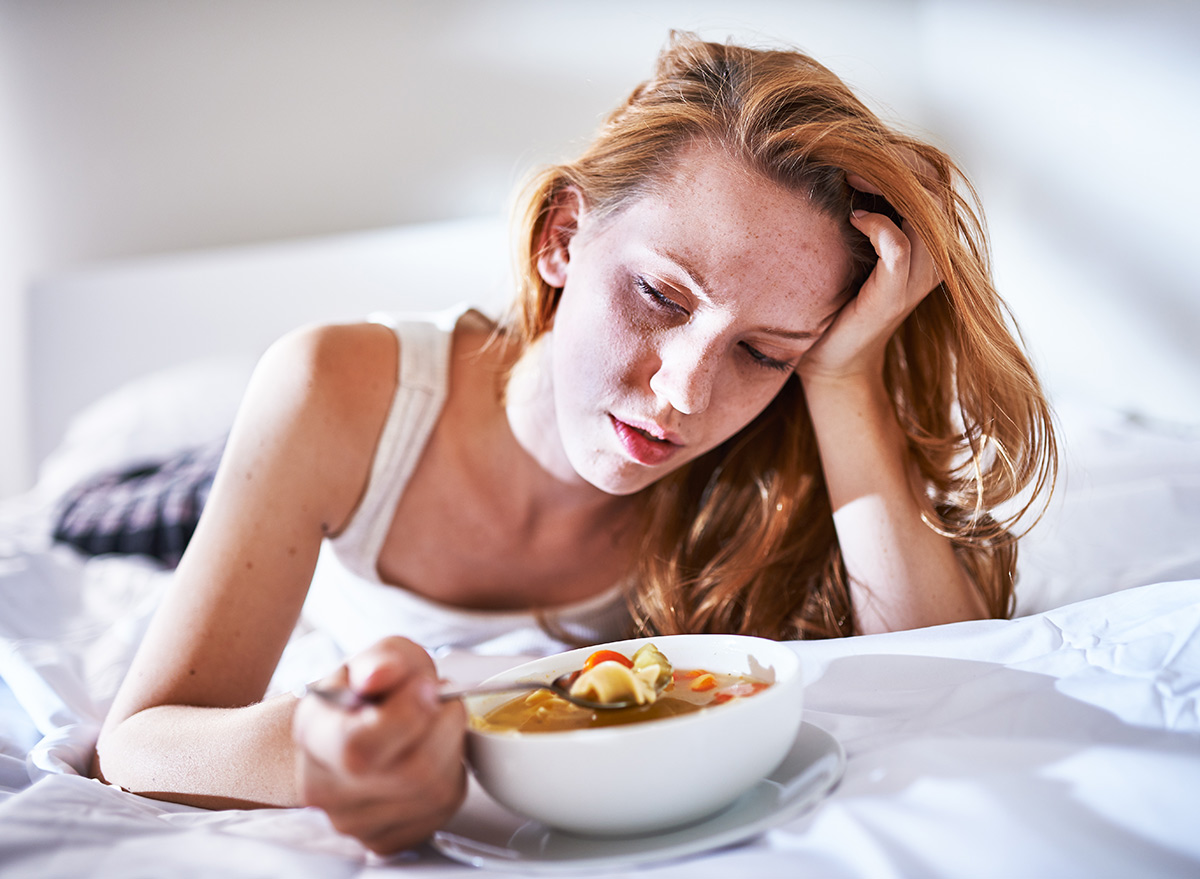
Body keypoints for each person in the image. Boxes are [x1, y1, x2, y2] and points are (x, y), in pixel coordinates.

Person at [92, 33, 1056, 854]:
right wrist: (313, 750)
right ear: (562, 236)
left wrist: (840, 377)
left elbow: (944, 675)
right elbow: (137, 740)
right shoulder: (335, 389)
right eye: (659, 297)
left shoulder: (772, 457)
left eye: (762, 350)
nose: (684, 392)